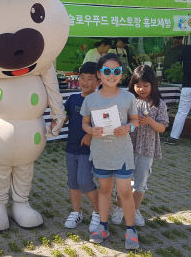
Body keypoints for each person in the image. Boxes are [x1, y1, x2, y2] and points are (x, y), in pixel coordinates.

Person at [80, 53, 140, 250]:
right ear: (99, 74)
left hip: (122, 152)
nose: (111, 75)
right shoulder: (90, 100)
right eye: (107, 71)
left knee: (124, 191)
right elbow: (85, 123)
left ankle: (130, 229)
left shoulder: (128, 97)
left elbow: (135, 121)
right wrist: (91, 130)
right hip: (101, 152)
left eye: (116, 71)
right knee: (104, 189)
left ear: (121, 74)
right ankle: (103, 226)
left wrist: (128, 128)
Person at [127, 65, 169, 226]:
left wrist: (151, 121)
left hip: (147, 148)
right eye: (138, 85)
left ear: (153, 85)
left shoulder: (159, 104)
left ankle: (135, 210)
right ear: (133, 85)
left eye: (146, 85)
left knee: (140, 183)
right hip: (127, 147)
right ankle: (120, 208)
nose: (142, 89)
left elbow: (163, 127)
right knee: (122, 182)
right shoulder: (130, 101)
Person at [62, 62, 101, 232]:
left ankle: (99, 212)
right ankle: (76, 212)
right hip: (71, 148)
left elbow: (105, 124)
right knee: (73, 182)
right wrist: (57, 122)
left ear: (98, 81)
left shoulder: (100, 100)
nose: (85, 82)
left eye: (90, 79)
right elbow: (65, 116)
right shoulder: (73, 98)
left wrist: (91, 134)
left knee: (85, 181)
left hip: (88, 150)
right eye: (82, 78)